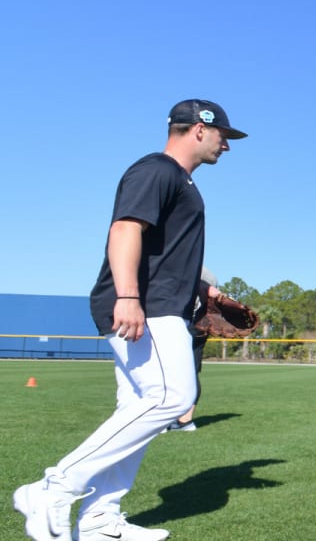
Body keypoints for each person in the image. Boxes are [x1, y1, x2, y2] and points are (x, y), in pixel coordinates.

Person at [13, 99, 247, 541]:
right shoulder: (157, 169)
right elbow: (124, 229)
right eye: (224, 136)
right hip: (146, 308)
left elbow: (165, 255)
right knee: (173, 400)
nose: (227, 146)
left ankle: (100, 519)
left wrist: (204, 292)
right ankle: (53, 489)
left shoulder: (182, 181)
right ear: (200, 129)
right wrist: (128, 296)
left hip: (159, 303)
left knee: (139, 409)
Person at [165, 267, 222, 432]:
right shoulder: (207, 272)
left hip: (190, 324)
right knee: (190, 372)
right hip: (201, 324)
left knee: (169, 371)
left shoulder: (191, 267)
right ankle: (185, 421)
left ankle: (173, 421)